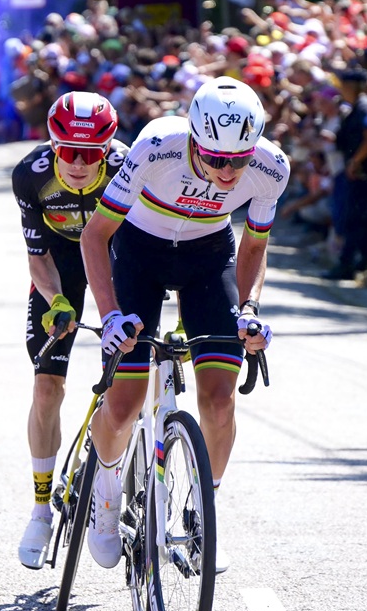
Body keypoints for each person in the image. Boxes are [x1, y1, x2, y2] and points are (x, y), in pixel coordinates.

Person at [78, 77, 286, 573]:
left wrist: (250, 309)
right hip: (139, 254)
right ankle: (106, 488)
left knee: (220, 399)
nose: (228, 172)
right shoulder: (156, 146)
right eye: (216, 158)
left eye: (239, 159)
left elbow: (254, 246)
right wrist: (110, 316)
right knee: (123, 405)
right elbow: (95, 235)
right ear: (194, 139)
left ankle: (202, 514)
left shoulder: (271, 167)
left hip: (207, 259)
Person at [12, 91, 126, 570]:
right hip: (59, 267)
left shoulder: (128, 167)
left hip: (115, 263)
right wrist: (57, 300)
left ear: (107, 150)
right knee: (46, 388)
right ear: (53, 146)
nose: (79, 163)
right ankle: (40, 511)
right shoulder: (30, 175)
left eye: (90, 154)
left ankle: (109, 496)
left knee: (126, 386)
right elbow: (37, 255)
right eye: (69, 151)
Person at [324, 68, 367, 280]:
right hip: (359, 172)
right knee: (362, 217)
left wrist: (355, 161)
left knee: (355, 218)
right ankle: (366, 259)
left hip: (362, 172)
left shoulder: (364, 107)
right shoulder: (357, 107)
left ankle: (348, 263)